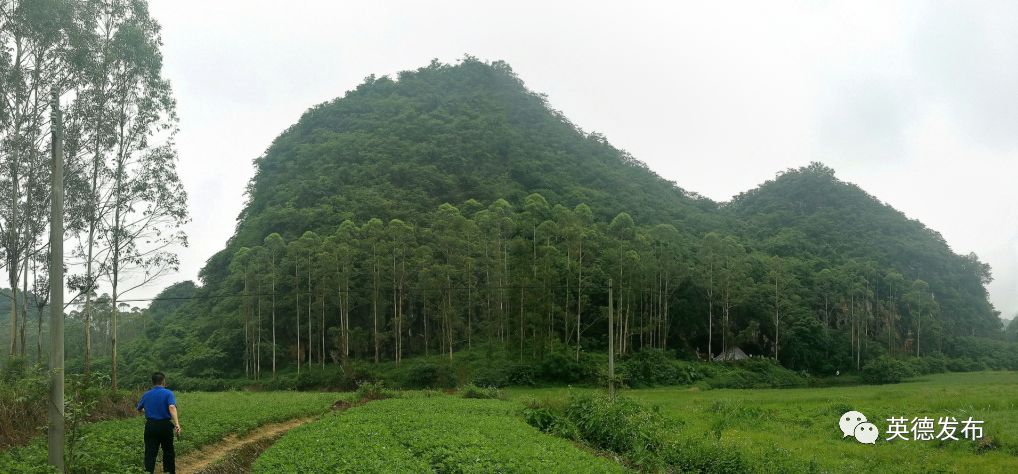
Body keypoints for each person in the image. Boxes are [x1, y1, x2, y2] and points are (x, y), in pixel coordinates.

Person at [136, 372, 181, 474]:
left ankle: (148, 472)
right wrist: (177, 424)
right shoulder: (168, 393)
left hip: (151, 425)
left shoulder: (146, 394)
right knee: (168, 451)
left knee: (150, 453)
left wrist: (149, 411)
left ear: (153, 382)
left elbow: (139, 409)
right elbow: (172, 407)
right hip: (165, 425)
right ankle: (168, 472)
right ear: (163, 381)